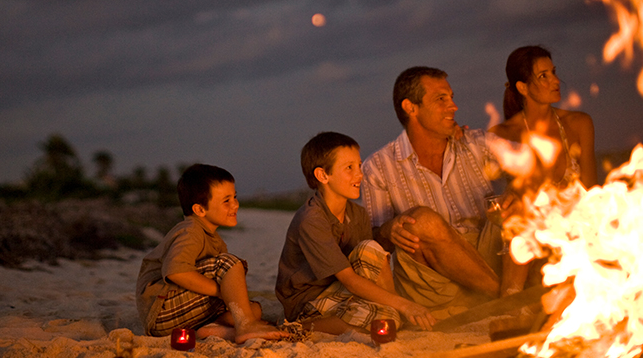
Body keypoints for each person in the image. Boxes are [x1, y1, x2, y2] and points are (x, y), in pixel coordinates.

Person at [361, 67, 505, 319]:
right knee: (422, 221)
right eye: (441, 99)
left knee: (526, 197)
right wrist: (388, 230)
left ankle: (508, 292)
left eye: (451, 97)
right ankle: (506, 298)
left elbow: (536, 161)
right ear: (410, 107)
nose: (454, 106)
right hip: (433, 283)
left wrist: (517, 191)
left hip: (488, 256)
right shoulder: (378, 167)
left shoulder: (477, 143)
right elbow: (374, 245)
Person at [276, 131, 436, 335]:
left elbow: (371, 262)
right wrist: (405, 306)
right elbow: (350, 279)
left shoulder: (357, 213)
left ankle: (383, 316)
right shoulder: (312, 220)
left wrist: (397, 304)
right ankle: (302, 325)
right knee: (385, 317)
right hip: (308, 301)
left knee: (371, 250)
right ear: (323, 175)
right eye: (349, 168)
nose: (359, 174)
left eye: (359, 166)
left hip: (340, 292)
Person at [136, 163, 286, 343]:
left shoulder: (214, 240)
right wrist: (220, 291)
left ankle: (212, 330)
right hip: (160, 310)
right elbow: (176, 272)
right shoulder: (190, 231)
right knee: (228, 265)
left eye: (235, 197)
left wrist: (230, 296)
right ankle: (246, 325)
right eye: (226, 201)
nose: (235, 205)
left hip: (182, 314)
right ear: (199, 209)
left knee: (252, 308)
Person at [489, 46, 597, 190]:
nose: (556, 80)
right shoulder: (502, 135)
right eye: (543, 76)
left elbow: (591, 190)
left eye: (553, 72)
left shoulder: (579, 123)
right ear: (523, 88)